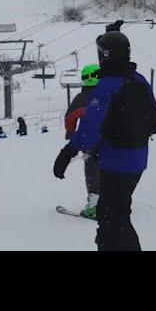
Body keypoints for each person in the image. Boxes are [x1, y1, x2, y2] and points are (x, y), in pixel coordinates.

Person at [53, 30, 156, 251]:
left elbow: (90, 128)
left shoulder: (106, 86)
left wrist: (68, 152)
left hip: (115, 161)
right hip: (138, 159)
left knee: (115, 219)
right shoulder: (139, 80)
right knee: (110, 214)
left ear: (103, 56)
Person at [63, 63, 102, 219]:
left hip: (90, 143)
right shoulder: (110, 93)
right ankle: (112, 202)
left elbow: (70, 117)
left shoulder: (82, 98)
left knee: (92, 171)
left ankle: (94, 205)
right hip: (112, 141)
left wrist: (71, 133)